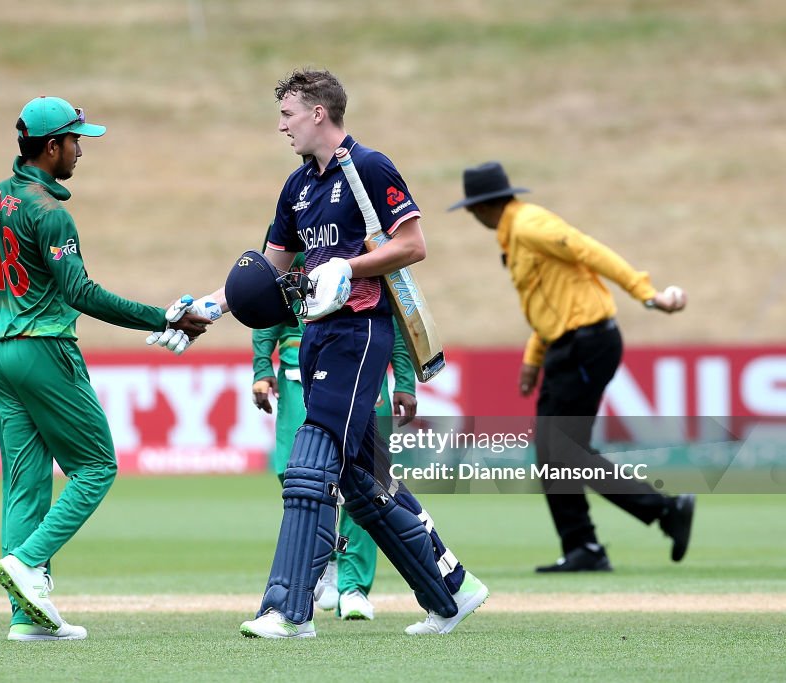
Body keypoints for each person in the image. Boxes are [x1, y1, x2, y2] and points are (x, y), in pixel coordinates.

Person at [157, 69, 489, 638]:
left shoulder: (371, 167)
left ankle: (287, 611)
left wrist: (348, 267)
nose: (281, 125)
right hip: (314, 338)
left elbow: (413, 245)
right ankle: (452, 591)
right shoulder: (297, 186)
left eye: (288, 114)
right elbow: (268, 273)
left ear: (318, 113)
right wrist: (206, 311)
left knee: (311, 465)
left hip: (360, 333)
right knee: (362, 478)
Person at [0, 96, 209, 641]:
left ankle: (26, 618)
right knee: (97, 466)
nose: (80, 151)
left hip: (3, 354)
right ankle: (28, 564)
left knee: (24, 486)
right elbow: (80, 291)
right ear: (51, 147)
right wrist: (164, 316)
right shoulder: (50, 213)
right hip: (46, 349)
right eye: (76, 141)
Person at [447, 161, 696, 572]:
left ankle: (659, 513)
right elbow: (550, 304)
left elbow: (587, 249)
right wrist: (534, 358)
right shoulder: (515, 236)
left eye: (473, 210)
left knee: (561, 450)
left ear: (486, 206)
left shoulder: (529, 225)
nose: (474, 218)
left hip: (587, 343)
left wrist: (647, 294)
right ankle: (586, 546)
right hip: (568, 345)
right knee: (555, 452)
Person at [251, 248, 418, 621]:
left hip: (362, 364)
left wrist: (405, 380)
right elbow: (265, 304)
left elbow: (399, 309)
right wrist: (262, 367)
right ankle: (321, 561)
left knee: (367, 478)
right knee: (297, 473)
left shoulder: (374, 242)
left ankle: (354, 586)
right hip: (299, 369)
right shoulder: (295, 225)